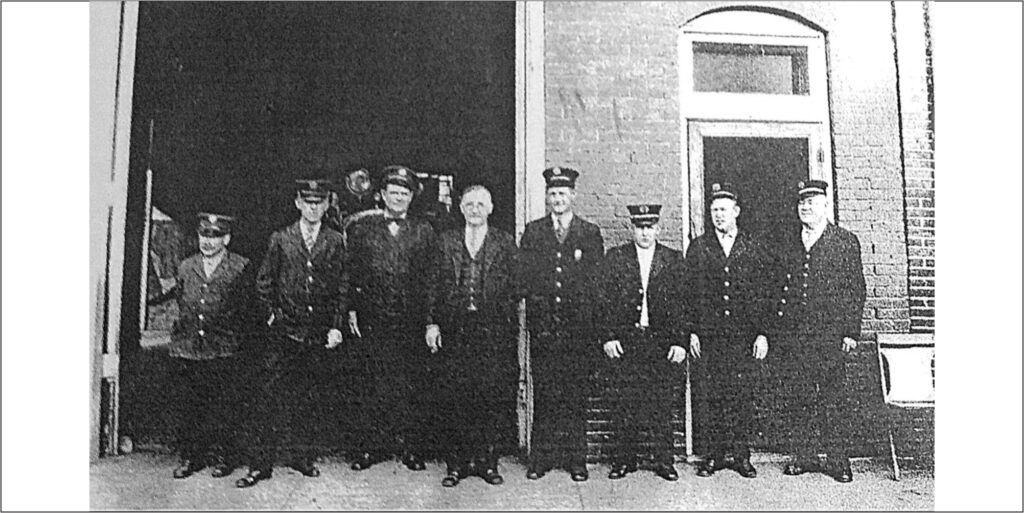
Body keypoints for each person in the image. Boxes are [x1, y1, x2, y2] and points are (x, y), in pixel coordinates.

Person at [235, 179, 349, 488]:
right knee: (269, 397)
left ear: (327, 205)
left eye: (319, 202)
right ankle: (261, 465)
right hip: (284, 333)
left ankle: (302, 457)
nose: (313, 208)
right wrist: (273, 316)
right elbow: (263, 283)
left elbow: (342, 286)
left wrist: (336, 325)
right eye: (307, 202)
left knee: (308, 396)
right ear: (298, 203)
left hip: (317, 332)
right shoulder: (281, 238)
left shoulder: (335, 240)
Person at [345, 165, 440, 472]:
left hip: (410, 320)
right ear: (382, 195)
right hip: (373, 318)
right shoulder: (362, 229)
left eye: (404, 193)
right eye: (393, 192)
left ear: (411, 198)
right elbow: (351, 273)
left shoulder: (424, 231)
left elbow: (431, 280)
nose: (398, 198)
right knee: (371, 382)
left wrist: (430, 320)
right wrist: (351, 309)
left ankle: (411, 448)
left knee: (411, 383)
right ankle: (371, 448)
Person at [774, 179, 866, 483]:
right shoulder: (789, 241)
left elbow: (856, 289)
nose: (805, 207)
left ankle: (838, 461)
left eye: (811, 202)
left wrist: (850, 331)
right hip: (796, 336)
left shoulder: (844, 241)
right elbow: (779, 286)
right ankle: (804, 457)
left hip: (830, 336)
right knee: (799, 396)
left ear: (825, 205)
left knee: (832, 398)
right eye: (802, 202)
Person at [518, 166, 605, 482]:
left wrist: (589, 326)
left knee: (574, 395)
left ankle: (575, 459)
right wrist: (537, 316)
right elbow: (525, 278)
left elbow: (596, 284)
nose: (557, 199)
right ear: (547, 197)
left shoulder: (589, 233)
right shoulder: (534, 232)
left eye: (562, 193)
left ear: (573, 196)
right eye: (553, 193)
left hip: (577, 331)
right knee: (545, 394)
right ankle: (541, 458)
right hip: (544, 329)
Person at [682, 183, 773, 479]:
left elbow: (766, 294)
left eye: (723, 210)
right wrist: (692, 331)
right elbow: (689, 292)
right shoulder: (699, 247)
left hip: (744, 338)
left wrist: (762, 333)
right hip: (710, 337)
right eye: (714, 210)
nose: (718, 215)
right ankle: (714, 456)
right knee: (712, 396)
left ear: (736, 212)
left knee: (742, 396)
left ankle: (741, 456)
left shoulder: (754, 246)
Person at [433, 185, 519, 487]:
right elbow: (433, 285)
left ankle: (487, 462)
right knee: (456, 396)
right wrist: (433, 323)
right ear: (460, 208)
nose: (475, 210)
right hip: (455, 329)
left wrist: (502, 315)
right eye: (469, 204)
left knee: (489, 395)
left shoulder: (504, 242)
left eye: (481, 204)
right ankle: (456, 464)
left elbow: (516, 285)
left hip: (491, 331)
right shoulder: (446, 241)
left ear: (491, 208)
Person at [597, 204, 686, 482]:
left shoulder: (672, 259)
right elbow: (603, 301)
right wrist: (609, 336)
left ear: (658, 228)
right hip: (627, 341)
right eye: (640, 227)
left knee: (661, 402)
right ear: (632, 228)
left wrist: (679, 341)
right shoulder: (616, 258)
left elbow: (683, 304)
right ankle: (624, 460)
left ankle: (664, 461)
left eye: (650, 227)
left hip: (660, 343)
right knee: (625, 402)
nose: (645, 233)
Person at [167, 213, 254, 480]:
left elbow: (247, 309)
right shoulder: (186, 266)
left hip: (223, 347)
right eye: (203, 235)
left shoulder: (240, 266)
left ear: (226, 239)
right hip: (191, 348)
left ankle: (226, 457)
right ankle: (192, 457)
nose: (207, 241)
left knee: (224, 406)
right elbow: (182, 301)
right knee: (192, 405)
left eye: (214, 236)